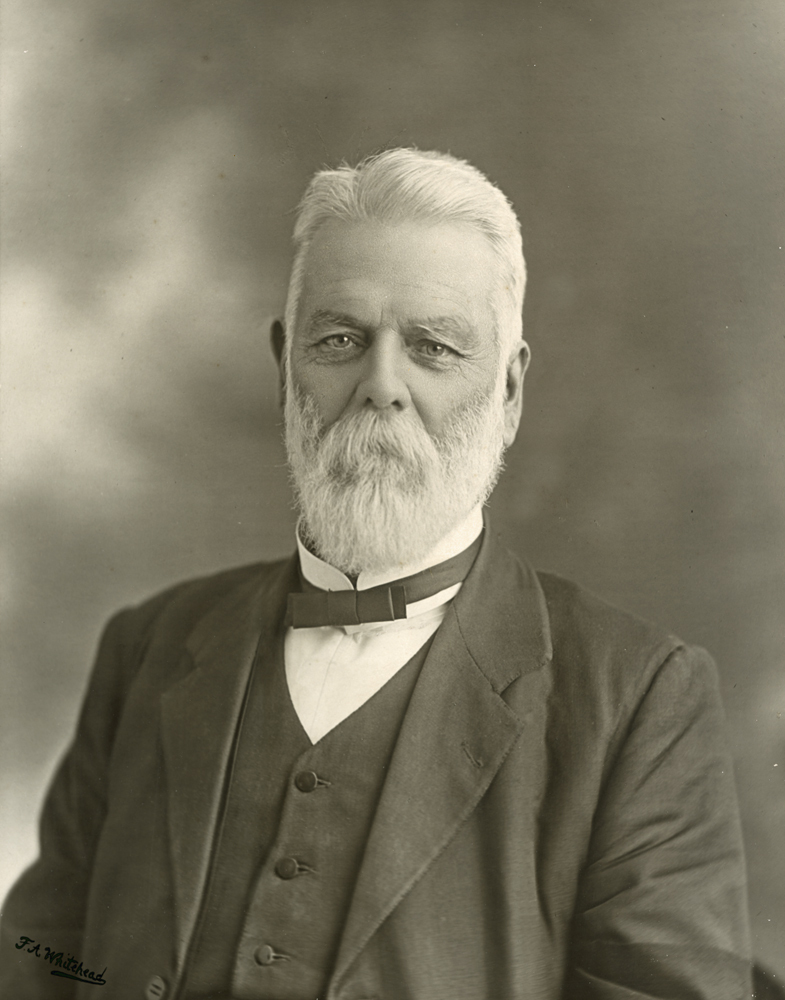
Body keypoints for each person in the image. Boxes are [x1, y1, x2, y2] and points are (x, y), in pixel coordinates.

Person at [1, 148, 752, 1000]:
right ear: (285, 367)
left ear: (507, 392)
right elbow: (41, 962)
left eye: (432, 348)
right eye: (340, 341)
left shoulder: (637, 697)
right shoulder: (147, 647)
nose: (379, 387)